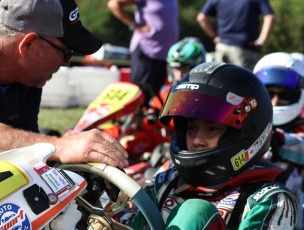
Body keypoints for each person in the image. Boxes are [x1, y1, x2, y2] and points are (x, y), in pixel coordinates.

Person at [119, 62, 298, 229]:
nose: (197, 140)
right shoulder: (166, 182)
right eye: (192, 128)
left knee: (196, 213)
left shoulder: (270, 199)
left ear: (244, 134)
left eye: (212, 129)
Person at [0, 0, 129, 169]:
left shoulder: (27, 77)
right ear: (29, 44)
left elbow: (26, 155)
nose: (66, 64)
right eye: (66, 53)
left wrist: (70, 154)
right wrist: (59, 146)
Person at [254, 52, 304, 228]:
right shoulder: (249, 122)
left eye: (284, 95)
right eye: (269, 94)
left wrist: (280, 139)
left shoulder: (300, 124)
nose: (275, 102)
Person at [107, 0, 179, 106]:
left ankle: (146, 121)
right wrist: (133, 25)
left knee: (154, 94)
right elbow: (113, 4)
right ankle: (133, 120)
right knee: (139, 93)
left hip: (164, 53)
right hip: (146, 50)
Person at [196, 0, 276, 71]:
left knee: (219, 82)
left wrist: (214, 36)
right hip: (244, 49)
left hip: (221, 47)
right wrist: (261, 41)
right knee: (245, 84)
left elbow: (201, 18)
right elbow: (270, 17)